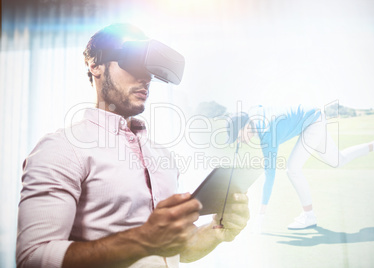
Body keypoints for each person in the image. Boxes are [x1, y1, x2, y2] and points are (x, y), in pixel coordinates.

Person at [16, 23, 249, 268]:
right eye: (134, 61)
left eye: (149, 67)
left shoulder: (162, 156)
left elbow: (171, 252)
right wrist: (145, 239)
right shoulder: (61, 149)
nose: (146, 76)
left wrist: (216, 231)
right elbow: (33, 258)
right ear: (95, 65)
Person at [227, 104, 374, 230]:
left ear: (245, 127)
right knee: (337, 160)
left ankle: (309, 216)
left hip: (313, 122)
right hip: (315, 117)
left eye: (237, 136)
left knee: (292, 169)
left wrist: (260, 215)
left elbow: (270, 176)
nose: (237, 141)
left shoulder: (267, 135)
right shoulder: (255, 115)